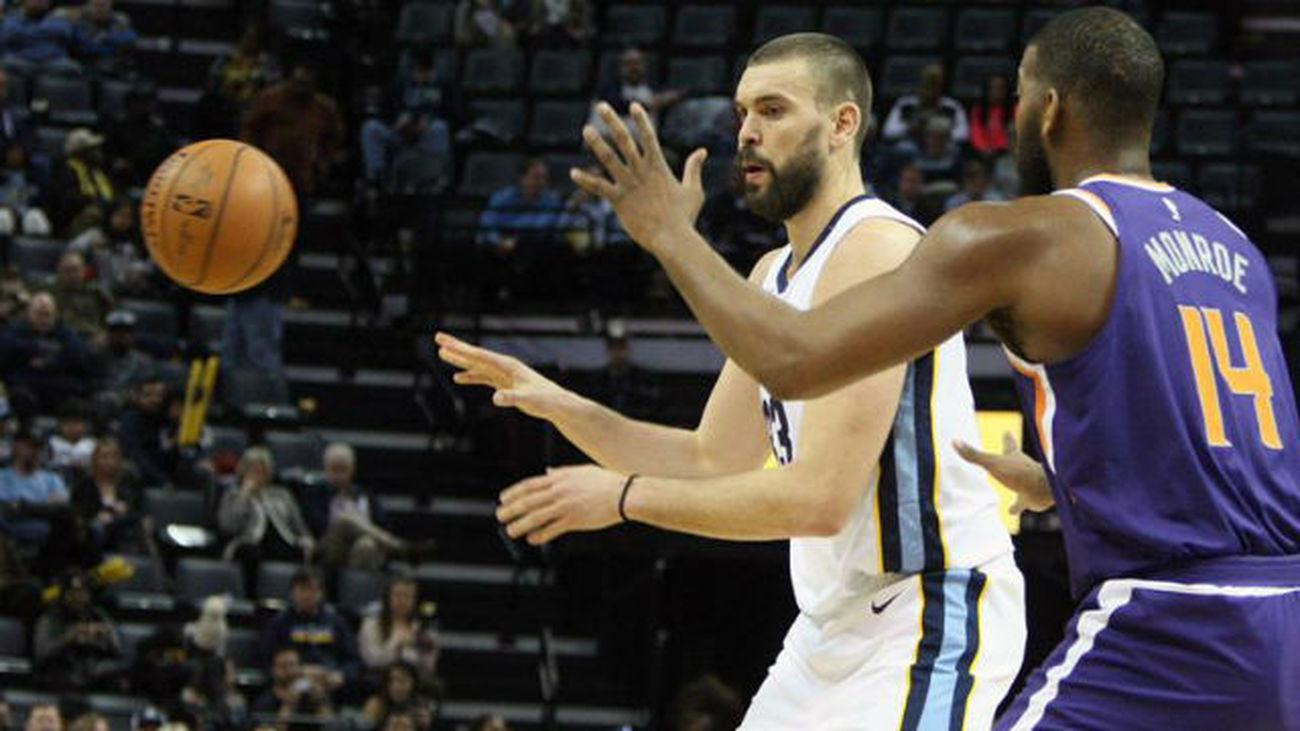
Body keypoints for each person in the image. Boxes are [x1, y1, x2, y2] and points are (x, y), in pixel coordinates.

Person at [565, 10, 1300, 729]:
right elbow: (1232, 447)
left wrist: (668, 235)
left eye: (1015, 94)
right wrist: (1063, 483)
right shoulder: (1233, 248)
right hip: (1283, 609)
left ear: (1048, 110)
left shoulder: (1027, 235)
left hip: (1167, 618)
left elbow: (792, 358)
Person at [441, 33, 1025, 728]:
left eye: (773, 110)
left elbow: (817, 498)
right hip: (829, 624)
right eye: (743, 112)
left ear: (843, 124)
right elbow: (709, 458)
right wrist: (563, 406)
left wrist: (623, 499)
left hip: (929, 604)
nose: (747, 132)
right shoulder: (770, 275)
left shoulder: (877, 247)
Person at [301, 442, 428, 570]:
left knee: (367, 545)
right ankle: (402, 548)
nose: (338, 476)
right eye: (334, 469)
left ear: (352, 469)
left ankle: (357, 587)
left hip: (360, 546)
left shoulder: (364, 494)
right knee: (345, 520)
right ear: (325, 468)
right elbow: (316, 525)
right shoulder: (314, 494)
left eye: (343, 470)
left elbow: (381, 523)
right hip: (329, 547)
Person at [262, 567, 359, 696]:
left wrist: (342, 675)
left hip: (330, 682)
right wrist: (297, 671)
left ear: (321, 593)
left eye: (313, 590)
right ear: (292, 592)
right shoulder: (279, 623)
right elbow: (267, 659)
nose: (307, 595)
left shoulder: (336, 623)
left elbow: (353, 660)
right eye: (302, 589)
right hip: (292, 683)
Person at [0, 293, 97, 416]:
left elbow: (76, 351)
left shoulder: (64, 330)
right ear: (28, 314)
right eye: (39, 314)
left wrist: (49, 362)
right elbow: (6, 346)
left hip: (57, 384)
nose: (43, 320)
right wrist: (39, 347)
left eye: (47, 315)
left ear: (55, 315)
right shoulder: (16, 328)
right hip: (25, 383)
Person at [218, 447, 314, 566]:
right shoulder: (233, 495)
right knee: (250, 553)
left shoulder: (282, 494)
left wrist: (306, 539)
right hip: (250, 542)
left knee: (301, 552)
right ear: (244, 472)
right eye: (253, 471)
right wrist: (244, 495)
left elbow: (298, 526)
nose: (257, 476)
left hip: (282, 540)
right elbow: (229, 526)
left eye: (261, 471)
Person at [33, 569, 123, 689]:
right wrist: (68, 638)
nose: (78, 597)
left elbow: (117, 651)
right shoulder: (50, 618)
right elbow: (41, 655)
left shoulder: (98, 616)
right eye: (73, 593)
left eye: (83, 592)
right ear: (63, 595)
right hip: (61, 672)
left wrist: (104, 639)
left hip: (94, 671)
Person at [70, 437, 150, 554]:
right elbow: (78, 511)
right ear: (95, 459)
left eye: (114, 456)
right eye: (104, 457)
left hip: (124, 524)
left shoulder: (129, 481)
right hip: (94, 528)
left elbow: (138, 508)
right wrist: (98, 515)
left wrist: (124, 510)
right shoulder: (85, 483)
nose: (110, 461)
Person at [357, 577, 439, 682]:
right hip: (381, 678)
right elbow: (372, 660)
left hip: (414, 681)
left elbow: (429, 669)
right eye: (398, 595)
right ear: (388, 598)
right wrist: (398, 646)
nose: (402, 601)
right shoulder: (371, 624)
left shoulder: (423, 627)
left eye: (408, 596)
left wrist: (428, 651)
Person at [591, 47, 680, 130]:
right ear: (620, 68)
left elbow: (679, 93)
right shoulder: (608, 89)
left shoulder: (652, 88)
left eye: (637, 63)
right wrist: (648, 105)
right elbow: (618, 105)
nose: (633, 68)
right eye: (628, 64)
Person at [881, 62, 969, 144]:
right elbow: (888, 131)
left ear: (941, 88)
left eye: (934, 87)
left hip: (943, 150)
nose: (930, 92)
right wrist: (909, 128)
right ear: (919, 86)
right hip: (909, 147)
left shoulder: (951, 107)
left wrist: (938, 132)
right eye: (927, 87)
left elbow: (963, 135)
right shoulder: (905, 105)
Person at [51, 129, 116, 236]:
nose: (98, 152)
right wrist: (94, 201)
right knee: (94, 213)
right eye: (93, 149)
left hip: (105, 213)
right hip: (73, 221)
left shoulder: (99, 172)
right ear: (81, 152)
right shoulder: (66, 171)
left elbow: (114, 194)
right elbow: (68, 201)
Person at [250, 647, 333, 725]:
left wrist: (320, 701)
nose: (289, 671)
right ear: (273, 670)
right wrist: (288, 705)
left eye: (292, 665)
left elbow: (330, 726)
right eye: (283, 667)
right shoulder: (264, 703)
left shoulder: (311, 696)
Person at [51, 251, 113, 345]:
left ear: (84, 270)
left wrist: (104, 334)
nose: (71, 275)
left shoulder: (96, 293)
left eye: (75, 270)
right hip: (60, 339)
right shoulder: (51, 293)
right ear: (59, 271)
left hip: (92, 338)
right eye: (67, 270)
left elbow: (111, 317)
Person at [361, 662, 435, 731]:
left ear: (413, 683)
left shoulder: (421, 706)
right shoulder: (377, 703)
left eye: (402, 681)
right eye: (391, 681)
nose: (396, 686)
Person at [69, 0, 137, 74]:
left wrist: (108, 38)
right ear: (88, 6)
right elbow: (86, 43)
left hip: (112, 62)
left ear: (110, 6)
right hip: (83, 62)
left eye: (103, 5)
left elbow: (131, 38)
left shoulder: (118, 21)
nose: (100, 9)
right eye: (96, 5)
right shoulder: (79, 21)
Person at [0, 142, 51, 236]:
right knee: (2, 218)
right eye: (11, 152)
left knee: (35, 217)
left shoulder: (33, 177)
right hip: (5, 212)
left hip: (26, 212)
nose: (14, 156)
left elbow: (42, 200)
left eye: (18, 152)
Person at [0, 0, 73, 64]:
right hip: (15, 67)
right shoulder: (9, 22)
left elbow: (82, 47)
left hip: (55, 68)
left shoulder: (62, 23)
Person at [48, 400, 96, 475]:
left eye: (76, 423)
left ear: (85, 425)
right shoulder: (51, 443)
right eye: (67, 423)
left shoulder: (92, 445)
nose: (72, 427)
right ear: (59, 425)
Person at [969, 74, 1013, 158]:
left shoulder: (1014, 109)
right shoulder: (978, 109)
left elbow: (1015, 135)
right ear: (987, 90)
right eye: (992, 88)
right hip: (982, 152)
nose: (996, 92)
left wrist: (1000, 148)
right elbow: (976, 131)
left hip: (1006, 152)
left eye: (1000, 88)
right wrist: (983, 147)